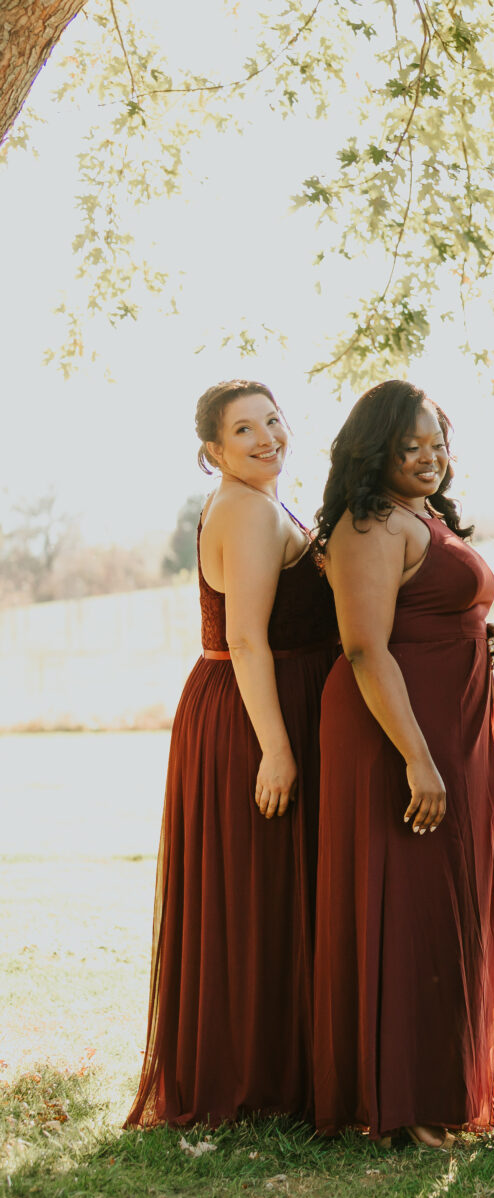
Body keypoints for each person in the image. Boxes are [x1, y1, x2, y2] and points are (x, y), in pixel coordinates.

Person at [126, 381, 337, 1129]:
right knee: (257, 890)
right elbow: (247, 637)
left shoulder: (265, 500)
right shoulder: (246, 509)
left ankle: (276, 1064)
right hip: (254, 714)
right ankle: (257, 1077)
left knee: (271, 889)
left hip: (263, 701)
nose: (266, 437)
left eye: (273, 421)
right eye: (243, 430)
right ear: (212, 452)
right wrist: (276, 750)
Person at [311, 380, 494, 1149]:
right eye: (411, 446)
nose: (430, 457)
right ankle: (402, 1103)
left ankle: (445, 1090)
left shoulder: (422, 517)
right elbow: (364, 648)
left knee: (451, 900)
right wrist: (417, 762)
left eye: (438, 443)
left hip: (449, 723)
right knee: (408, 906)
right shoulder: (368, 525)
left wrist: (480, 639)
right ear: (377, 452)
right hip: (394, 736)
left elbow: (432, 614)